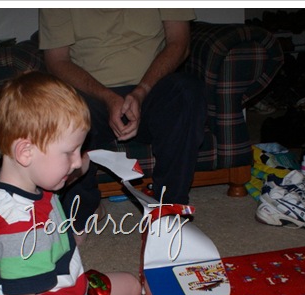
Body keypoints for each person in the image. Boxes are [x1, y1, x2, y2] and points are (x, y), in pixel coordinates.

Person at [0, 71, 168, 295]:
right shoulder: (20, 228)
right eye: (69, 152)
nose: (76, 163)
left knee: (131, 284)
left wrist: (83, 156)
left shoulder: (22, 176)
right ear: (26, 152)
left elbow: (69, 168)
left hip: (63, 291)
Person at [39, 8, 207, 233]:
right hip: (90, 95)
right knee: (65, 107)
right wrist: (107, 97)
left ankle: (169, 207)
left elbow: (179, 42)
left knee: (187, 92)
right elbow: (56, 60)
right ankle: (82, 209)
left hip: (153, 89)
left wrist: (142, 91)